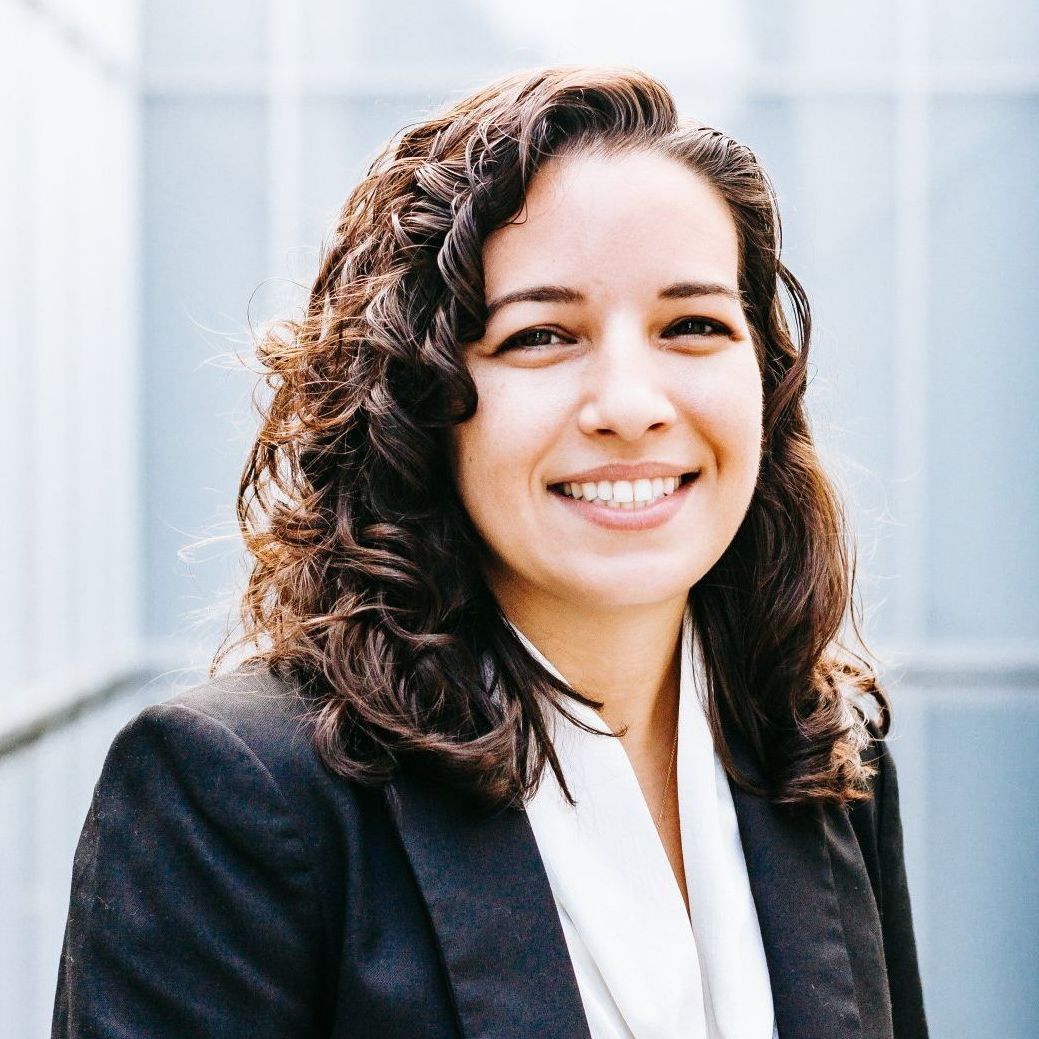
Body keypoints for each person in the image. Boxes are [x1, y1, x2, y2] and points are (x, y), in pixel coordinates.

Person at [52, 65, 928, 1038]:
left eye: (693, 325)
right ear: (418, 398)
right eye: (543, 335)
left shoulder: (819, 753)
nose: (632, 405)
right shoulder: (236, 797)